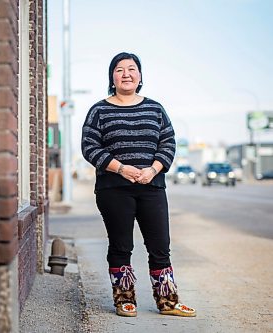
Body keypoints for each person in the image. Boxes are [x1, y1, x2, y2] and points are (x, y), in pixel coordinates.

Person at [81, 52, 196, 318]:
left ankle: (168, 301)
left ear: (140, 75)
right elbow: (89, 147)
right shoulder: (99, 110)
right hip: (113, 189)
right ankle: (124, 300)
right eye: (119, 69)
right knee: (121, 245)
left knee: (160, 245)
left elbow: (168, 143)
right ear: (112, 77)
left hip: (152, 187)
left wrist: (153, 169)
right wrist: (121, 168)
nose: (126, 74)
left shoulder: (155, 109)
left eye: (132, 69)